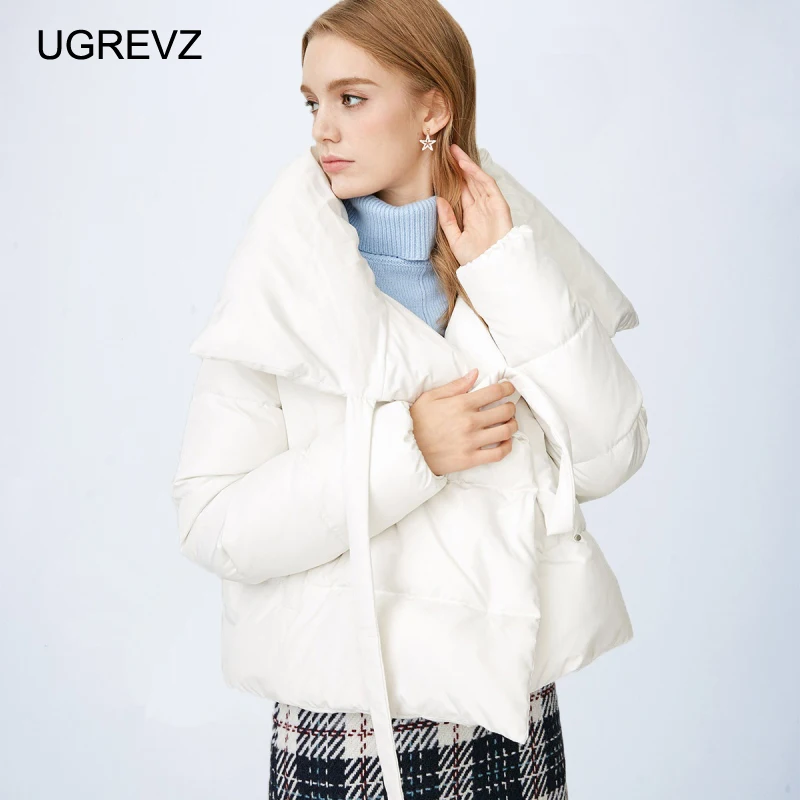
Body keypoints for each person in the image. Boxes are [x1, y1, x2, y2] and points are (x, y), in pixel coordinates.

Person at [170, 2, 650, 799]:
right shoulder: (280, 277)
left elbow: (612, 456)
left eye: (352, 98)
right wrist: (408, 452)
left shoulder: (514, 253)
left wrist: (509, 275)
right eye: (312, 102)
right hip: (348, 723)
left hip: (506, 715)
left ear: (433, 109)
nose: (323, 128)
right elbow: (213, 522)